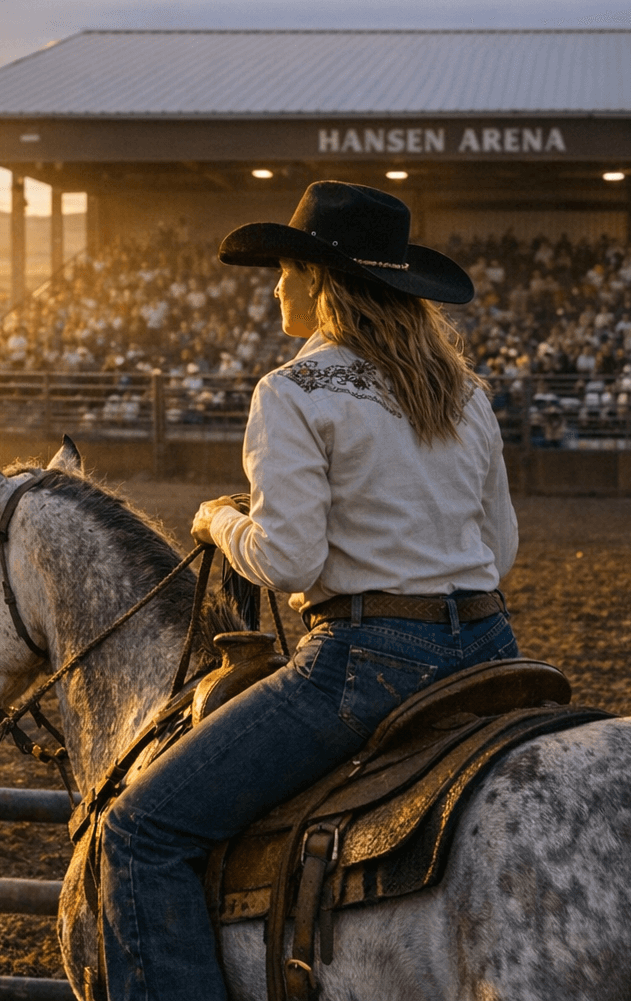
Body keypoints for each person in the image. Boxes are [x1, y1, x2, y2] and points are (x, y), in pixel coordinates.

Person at [97, 182, 519, 1000]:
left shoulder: (292, 393)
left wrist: (219, 520)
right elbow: (497, 549)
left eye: (285, 269)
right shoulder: (464, 396)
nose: (276, 286)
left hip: (368, 662)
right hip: (491, 647)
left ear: (320, 281)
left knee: (141, 831)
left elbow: (288, 561)